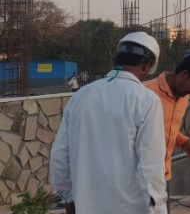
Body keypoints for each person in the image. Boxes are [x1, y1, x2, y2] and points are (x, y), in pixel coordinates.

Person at [50, 31, 167, 214]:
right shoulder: (146, 101)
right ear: (147, 66)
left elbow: (59, 157)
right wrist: (159, 209)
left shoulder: (80, 96)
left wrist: (69, 198)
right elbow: (152, 168)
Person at [144, 54, 190, 181]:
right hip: (140, 178)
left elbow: (164, 128)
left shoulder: (183, 97)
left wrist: (184, 142)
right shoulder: (145, 92)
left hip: (163, 176)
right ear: (184, 74)